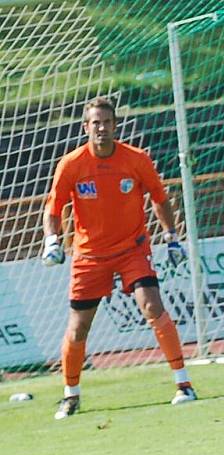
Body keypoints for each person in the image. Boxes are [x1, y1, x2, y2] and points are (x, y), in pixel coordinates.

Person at [41, 97, 197, 420]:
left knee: (153, 306)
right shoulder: (70, 164)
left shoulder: (136, 159)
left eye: (107, 122)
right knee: (78, 327)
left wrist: (171, 237)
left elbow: (159, 198)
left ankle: (184, 384)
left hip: (132, 249)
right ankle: (71, 395)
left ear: (115, 125)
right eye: (95, 123)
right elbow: (53, 208)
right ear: (86, 127)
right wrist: (52, 240)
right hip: (89, 255)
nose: (101, 128)